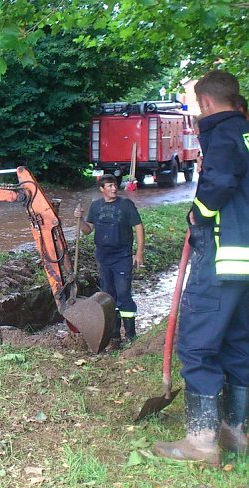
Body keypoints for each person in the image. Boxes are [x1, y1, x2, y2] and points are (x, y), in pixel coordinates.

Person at [152, 70, 249, 466]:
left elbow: (221, 182)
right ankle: (234, 431)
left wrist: (199, 213)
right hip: (245, 262)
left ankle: (202, 442)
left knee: (198, 343)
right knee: (238, 341)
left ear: (206, 102)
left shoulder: (223, 133)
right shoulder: (246, 133)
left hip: (223, 259)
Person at [74, 174, 145, 349]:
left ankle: (131, 335)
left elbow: (138, 227)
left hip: (122, 256)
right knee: (109, 296)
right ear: (102, 189)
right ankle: (114, 336)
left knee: (123, 294)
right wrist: (80, 219)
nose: (114, 189)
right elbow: (87, 231)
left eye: (114, 185)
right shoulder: (96, 206)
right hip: (103, 257)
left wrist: (139, 253)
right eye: (110, 186)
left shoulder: (126, 205)